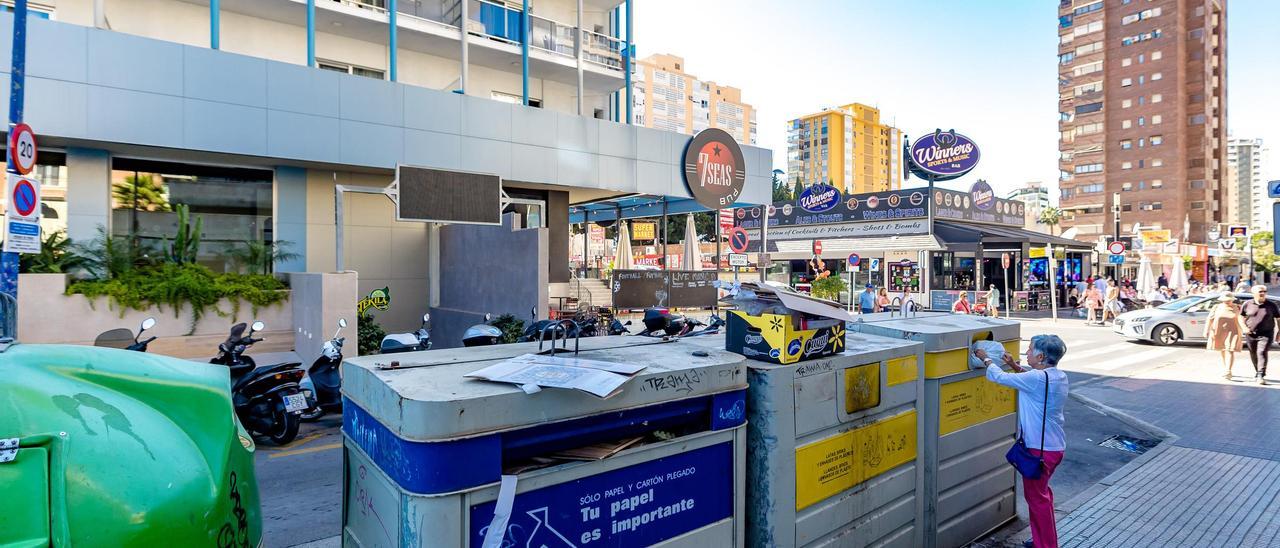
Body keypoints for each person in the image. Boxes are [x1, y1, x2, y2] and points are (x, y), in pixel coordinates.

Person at [975, 335, 1069, 548]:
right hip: (1054, 448)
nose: (1026, 353)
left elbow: (1000, 378)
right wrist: (1014, 365)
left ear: (1041, 356)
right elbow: (1033, 382)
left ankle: (1046, 545)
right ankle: (1040, 540)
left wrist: (986, 359)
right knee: (1042, 497)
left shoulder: (1036, 379)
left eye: (1029, 350)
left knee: (1038, 502)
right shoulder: (1057, 376)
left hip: (1039, 451)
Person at [1242, 285, 1280, 385]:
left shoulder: (1272, 305)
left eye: (1264, 291)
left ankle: (1261, 374)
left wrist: (1279, 332)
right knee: (1253, 353)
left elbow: (1278, 319)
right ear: (1253, 293)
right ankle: (1257, 372)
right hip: (1251, 334)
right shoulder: (1247, 304)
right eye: (1260, 291)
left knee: (1262, 351)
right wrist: (1244, 327)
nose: (1263, 293)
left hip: (1266, 333)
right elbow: (1241, 317)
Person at [1204, 293, 1248, 380]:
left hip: (1233, 331)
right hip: (1219, 331)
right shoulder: (1216, 307)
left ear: (1232, 299)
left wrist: (1244, 328)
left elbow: (1241, 319)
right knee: (1223, 349)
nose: (1227, 301)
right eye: (1225, 300)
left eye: (1229, 300)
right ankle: (1226, 369)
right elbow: (1209, 319)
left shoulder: (1238, 307)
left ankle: (1228, 371)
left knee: (1230, 350)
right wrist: (1206, 330)